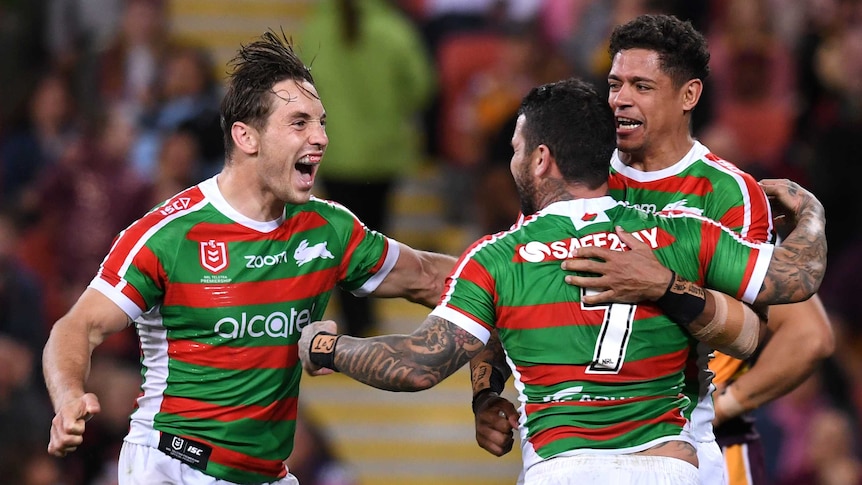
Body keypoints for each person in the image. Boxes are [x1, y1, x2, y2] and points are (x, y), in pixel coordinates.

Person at [297, 78, 827, 485]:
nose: (512, 160)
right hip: (669, 467)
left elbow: (417, 364)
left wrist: (329, 347)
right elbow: (796, 279)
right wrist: (811, 215)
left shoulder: (498, 259)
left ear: (542, 159)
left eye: (515, 148)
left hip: (564, 469)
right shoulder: (682, 236)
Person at [41, 30, 457, 485]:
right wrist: (68, 399)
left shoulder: (329, 228)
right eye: (299, 123)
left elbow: (429, 277)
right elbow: (77, 326)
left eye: (322, 123)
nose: (320, 138)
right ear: (246, 136)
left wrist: (523, 267)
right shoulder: (170, 234)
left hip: (265, 474)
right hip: (170, 466)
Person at [470, 14, 834, 485]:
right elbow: (512, 288)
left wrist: (662, 286)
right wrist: (484, 392)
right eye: (614, 83)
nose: (620, 99)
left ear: (689, 96)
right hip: (565, 443)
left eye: (641, 86)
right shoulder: (579, 169)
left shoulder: (727, 193)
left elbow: (750, 334)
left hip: (680, 439)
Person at [298, 0, 436, 337]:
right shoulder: (395, 30)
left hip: (334, 150)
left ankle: (348, 317)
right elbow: (423, 85)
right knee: (375, 233)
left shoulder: (315, 29)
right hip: (383, 150)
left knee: (335, 236)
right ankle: (368, 316)